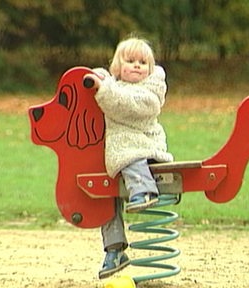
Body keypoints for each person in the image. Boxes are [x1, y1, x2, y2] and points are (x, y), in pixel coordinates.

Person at [87, 36, 174, 279]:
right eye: (130, 61)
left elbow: (126, 106)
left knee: (130, 156)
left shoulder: (150, 92)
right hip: (117, 157)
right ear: (117, 67)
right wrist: (95, 78)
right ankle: (114, 251)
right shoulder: (113, 86)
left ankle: (145, 191)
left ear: (151, 68)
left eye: (143, 62)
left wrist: (103, 88)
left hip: (145, 151)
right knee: (105, 196)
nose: (137, 65)